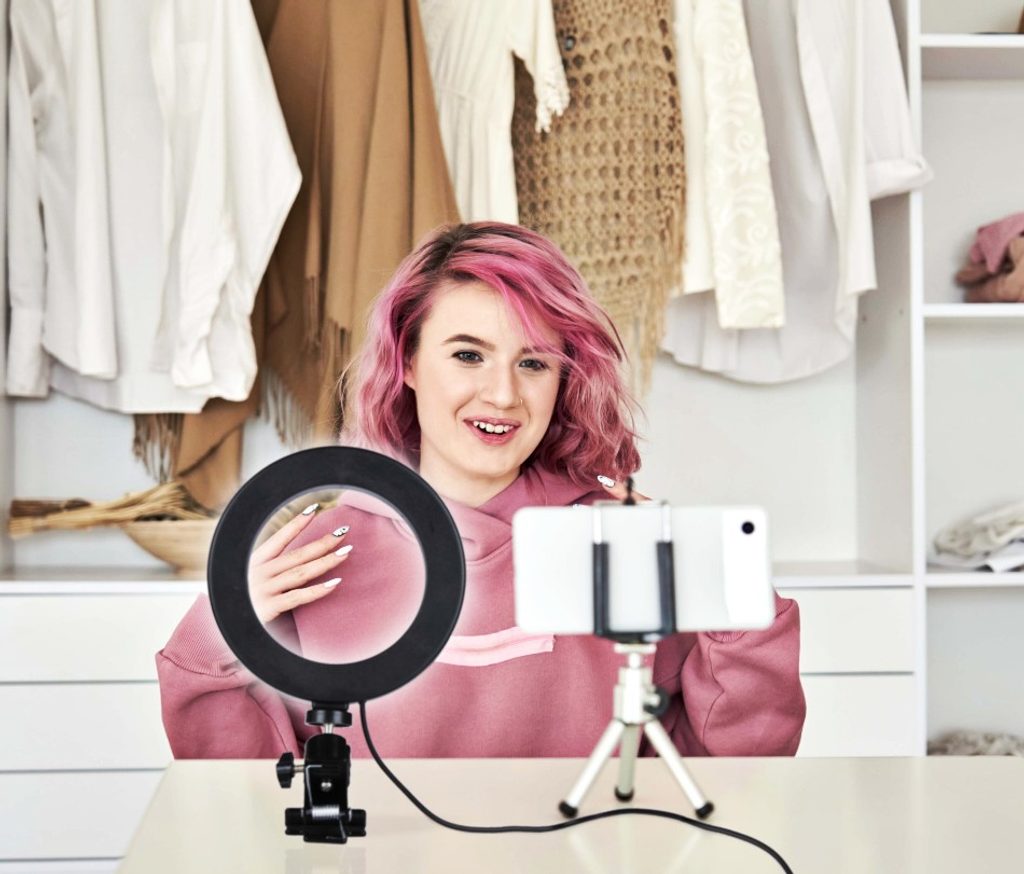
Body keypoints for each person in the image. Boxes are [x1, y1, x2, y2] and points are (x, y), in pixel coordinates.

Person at [157, 222, 806, 759]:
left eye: (533, 363)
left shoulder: (624, 542)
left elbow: (734, 767)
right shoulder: (317, 555)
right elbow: (245, 802)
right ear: (407, 362)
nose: (502, 394)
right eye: (468, 355)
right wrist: (220, 631)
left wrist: (729, 591)